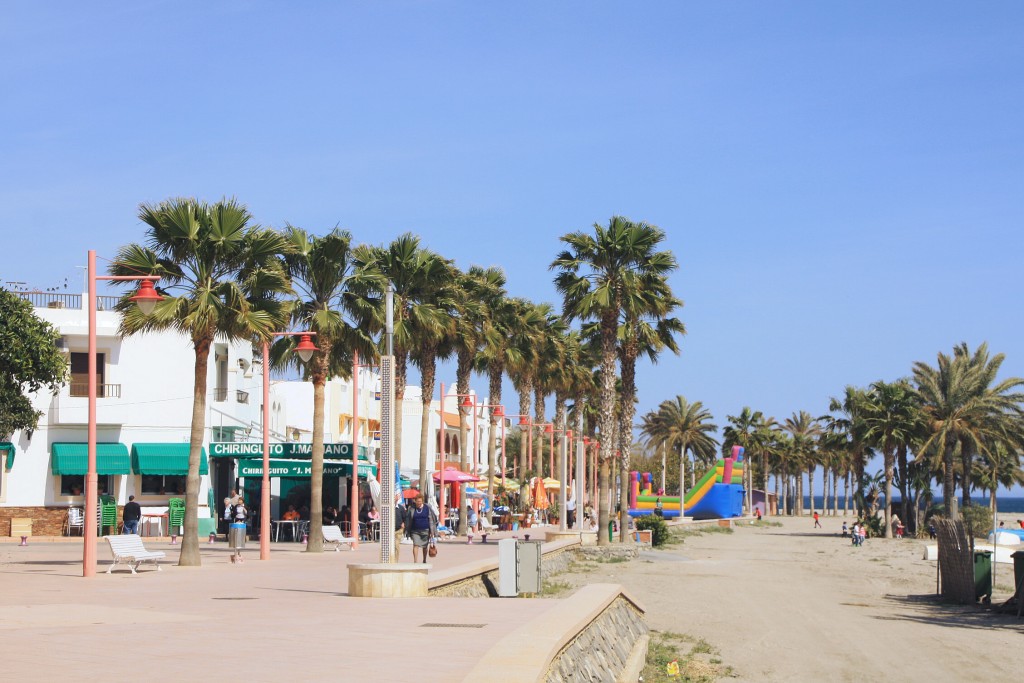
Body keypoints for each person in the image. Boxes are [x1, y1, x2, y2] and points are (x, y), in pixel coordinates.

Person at [404, 493, 437, 563]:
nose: (419, 503)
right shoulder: (412, 508)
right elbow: (408, 519)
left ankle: (424, 560)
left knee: (424, 546)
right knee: (415, 544)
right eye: (417, 501)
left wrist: (432, 532)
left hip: (425, 530)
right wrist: (407, 529)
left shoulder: (427, 508)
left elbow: (431, 520)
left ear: (422, 501)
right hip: (415, 531)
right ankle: (415, 561)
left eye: (420, 501)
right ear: (415, 501)